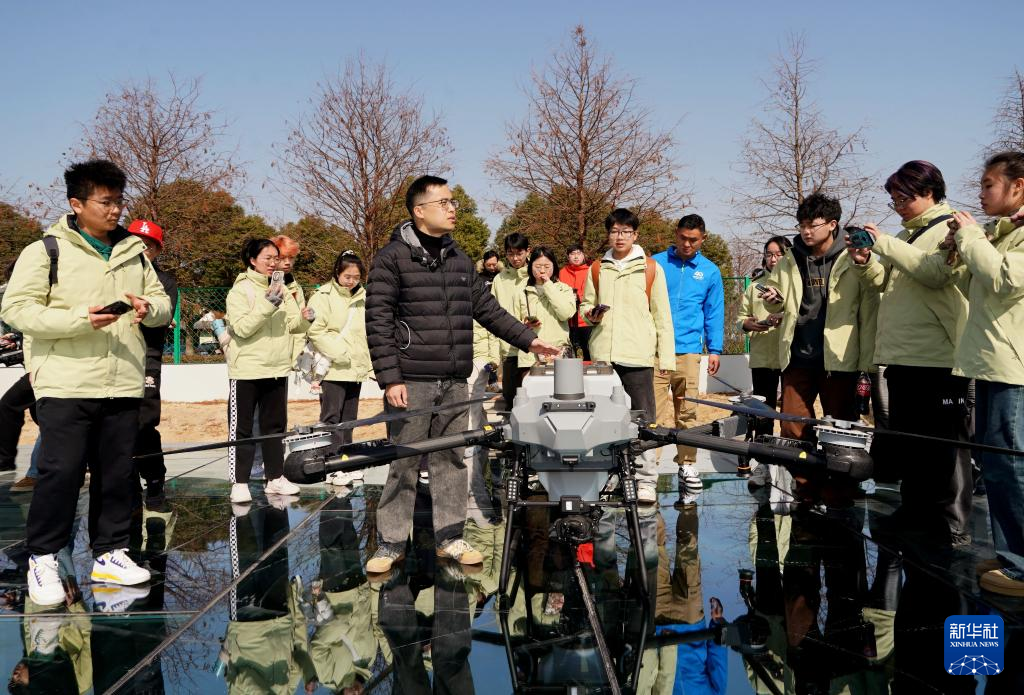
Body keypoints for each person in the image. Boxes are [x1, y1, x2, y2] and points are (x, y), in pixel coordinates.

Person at [364, 175, 558, 573]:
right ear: (420, 211)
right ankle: (390, 542)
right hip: (411, 379)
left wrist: (528, 341)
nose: (454, 208)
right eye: (445, 202)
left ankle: (450, 537)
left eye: (454, 201)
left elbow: (485, 308)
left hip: (453, 378)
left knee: (451, 459)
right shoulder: (391, 258)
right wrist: (391, 378)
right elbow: (378, 321)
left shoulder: (458, 258)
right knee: (404, 460)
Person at [0, 159, 172, 606]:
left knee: (117, 472)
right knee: (61, 472)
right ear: (76, 203)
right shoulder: (46, 250)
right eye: (105, 201)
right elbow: (17, 310)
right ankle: (43, 557)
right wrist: (81, 319)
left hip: (122, 379)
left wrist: (147, 308)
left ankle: (110, 552)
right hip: (66, 382)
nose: (114, 210)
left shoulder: (134, 250)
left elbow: (163, 304)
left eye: (118, 200)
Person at [847, 160, 971, 547]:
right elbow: (886, 281)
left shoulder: (951, 228)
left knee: (944, 446)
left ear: (929, 193)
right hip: (903, 355)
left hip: (938, 357)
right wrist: (867, 263)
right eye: (893, 199)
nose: (897, 205)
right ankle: (916, 510)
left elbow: (937, 273)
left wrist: (884, 242)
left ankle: (951, 524)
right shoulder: (909, 234)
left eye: (904, 197)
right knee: (912, 442)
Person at [945, 151, 1024, 595]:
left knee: (1012, 465)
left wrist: (973, 237)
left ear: (1019, 186)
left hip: (1015, 367)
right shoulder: (1003, 233)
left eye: (990, 183)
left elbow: (1003, 280)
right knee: (997, 464)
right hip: (994, 361)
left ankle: (1021, 565)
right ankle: (1011, 552)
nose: (980, 193)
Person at [758, 193, 878, 442]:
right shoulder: (791, 258)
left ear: (833, 224)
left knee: (842, 429)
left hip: (840, 359)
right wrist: (773, 300)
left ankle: (837, 482)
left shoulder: (853, 254)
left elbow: (872, 298)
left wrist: (866, 360)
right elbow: (775, 296)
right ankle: (803, 481)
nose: (806, 231)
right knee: (792, 428)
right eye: (802, 225)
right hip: (797, 356)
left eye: (813, 225)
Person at [580, 208, 675, 503]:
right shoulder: (597, 268)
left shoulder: (650, 268)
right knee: (603, 417)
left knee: (643, 418)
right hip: (603, 354)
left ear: (635, 235)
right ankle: (609, 474)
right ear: (608, 234)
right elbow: (585, 305)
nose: (619, 237)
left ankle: (645, 478)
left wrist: (666, 359)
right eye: (614, 231)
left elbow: (662, 315)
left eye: (625, 232)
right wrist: (590, 315)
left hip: (637, 353)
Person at [224, 238, 313, 504]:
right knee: (242, 429)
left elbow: (291, 326)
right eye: (268, 258)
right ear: (252, 260)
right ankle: (239, 482)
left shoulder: (283, 289)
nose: (274, 263)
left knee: (274, 427)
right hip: (248, 369)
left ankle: (275, 478)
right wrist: (267, 304)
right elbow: (241, 328)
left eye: (276, 258)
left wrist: (305, 319)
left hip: (277, 367)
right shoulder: (240, 291)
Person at [652, 214, 724, 477]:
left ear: (703, 239)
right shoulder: (655, 263)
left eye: (693, 240)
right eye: (683, 237)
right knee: (654, 413)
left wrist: (715, 349)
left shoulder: (710, 271)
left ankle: (687, 464)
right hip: (656, 350)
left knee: (688, 411)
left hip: (689, 350)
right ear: (676, 234)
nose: (687, 244)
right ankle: (650, 468)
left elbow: (714, 311)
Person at [306, 251, 372, 487]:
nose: (352, 281)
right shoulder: (322, 296)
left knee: (349, 418)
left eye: (356, 276)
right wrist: (339, 353)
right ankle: (331, 465)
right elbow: (315, 330)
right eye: (347, 276)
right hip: (333, 366)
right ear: (337, 273)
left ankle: (346, 461)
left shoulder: (365, 296)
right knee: (331, 417)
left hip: (355, 366)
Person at [125, 219, 178, 510]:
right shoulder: (114, 277)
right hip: (116, 360)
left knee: (145, 422)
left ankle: (155, 481)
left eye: (148, 245)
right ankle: (126, 481)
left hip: (147, 359)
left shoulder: (165, 282)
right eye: (136, 243)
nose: (142, 249)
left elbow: (160, 317)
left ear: (157, 250)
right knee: (119, 425)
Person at [737, 236, 790, 443]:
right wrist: (746, 324)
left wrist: (782, 316)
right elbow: (740, 319)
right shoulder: (754, 286)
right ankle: (763, 454)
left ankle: (790, 453)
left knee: (790, 412)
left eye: (779, 254)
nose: (773, 259)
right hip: (762, 357)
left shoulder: (796, 284)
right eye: (769, 254)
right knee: (763, 412)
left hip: (790, 359)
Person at [514, 247, 576, 371]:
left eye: (547, 266)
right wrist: (525, 324)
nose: (542, 270)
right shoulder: (522, 291)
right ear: (531, 267)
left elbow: (565, 314)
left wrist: (548, 285)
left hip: (558, 352)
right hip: (530, 355)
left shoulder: (564, 289)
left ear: (554, 267)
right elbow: (513, 323)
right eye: (538, 266)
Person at [492, 233, 532, 407]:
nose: (515, 258)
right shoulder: (499, 279)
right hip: (509, 348)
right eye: (510, 254)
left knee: (532, 398)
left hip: (532, 348)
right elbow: (491, 314)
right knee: (510, 397)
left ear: (527, 251)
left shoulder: (535, 275)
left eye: (519, 253)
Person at [558, 244, 592, 360]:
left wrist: (579, 297)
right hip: (568, 320)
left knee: (588, 351)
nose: (576, 257)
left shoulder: (590, 271)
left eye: (579, 253)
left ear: (583, 255)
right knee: (570, 352)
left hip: (586, 320)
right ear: (568, 257)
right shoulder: (562, 272)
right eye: (572, 254)